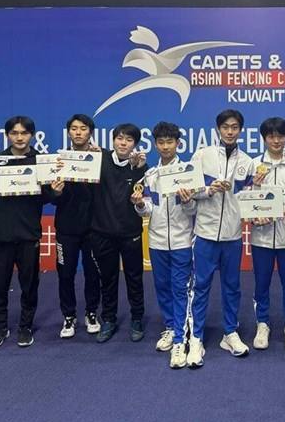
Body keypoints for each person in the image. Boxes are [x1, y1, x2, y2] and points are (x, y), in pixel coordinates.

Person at [0, 116, 58, 349]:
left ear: (31, 135)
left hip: (28, 234)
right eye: (14, 133)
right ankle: (0, 328)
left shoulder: (41, 161)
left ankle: (25, 327)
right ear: (7, 135)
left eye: (24, 133)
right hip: (0, 234)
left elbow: (47, 196)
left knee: (29, 285)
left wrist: (55, 190)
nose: (19, 137)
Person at [187, 109, 254, 368]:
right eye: (225, 127)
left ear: (240, 130)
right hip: (204, 234)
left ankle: (230, 333)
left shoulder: (247, 162)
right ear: (217, 129)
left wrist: (254, 187)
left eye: (235, 127)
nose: (230, 131)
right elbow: (189, 191)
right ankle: (197, 338)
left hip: (232, 236)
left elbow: (250, 201)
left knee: (232, 287)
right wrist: (207, 190)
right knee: (200, 287)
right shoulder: (202, 156)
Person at [133, 122, 196, 369]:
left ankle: (181, 339)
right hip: (157, 241)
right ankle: (170, 327)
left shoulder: (188, 171)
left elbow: (194, 210)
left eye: (170, 142)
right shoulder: (150, 175)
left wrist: (187, 200)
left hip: (182, 240)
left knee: (180, 288)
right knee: (162, 287)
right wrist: (139, 204)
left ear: (178, 143)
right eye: (161, 142)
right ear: (155, 144)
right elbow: (147, 209)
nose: (166, 146)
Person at [249, 117, 285, 352]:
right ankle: (262, 324)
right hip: (262, 237)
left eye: (280, 136)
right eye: (271, 136)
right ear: (264, 138)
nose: (276, 140)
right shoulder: (254, 166)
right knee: (261, 284)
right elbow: (245, 200)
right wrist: (254, 211)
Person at [90, 123, 148, 344]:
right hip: (102, 231)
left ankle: (137, 318)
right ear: (113, 140)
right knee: (108, 278)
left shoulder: (140, 166)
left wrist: (139, 169)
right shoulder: (99, 159)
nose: (123, 143)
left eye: (129, 140)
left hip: (130, 231)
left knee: (134, 278)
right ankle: (109, 319)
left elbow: (143, 196)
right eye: (120, 138)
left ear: (135, 144)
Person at [53, 114, 101, 339]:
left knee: (93, 273)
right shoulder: (59, 160)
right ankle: (68, 316)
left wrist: (102, 162)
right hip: (66, 228)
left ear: (90, 131)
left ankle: (91, 312)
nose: (79, 132)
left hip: (94, 228)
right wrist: (57, 191)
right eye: (74, 128)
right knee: (66, 273)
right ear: (69, 132)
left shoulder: (100, 157)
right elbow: (51, 196)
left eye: (83, 128)